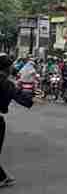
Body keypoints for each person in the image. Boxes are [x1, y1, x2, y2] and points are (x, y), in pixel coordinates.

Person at [0, 55, 33, 187]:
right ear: (7, 68)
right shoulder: (5, 83)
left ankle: (3, 177)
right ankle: (3, 178)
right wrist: (31, 101)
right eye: (11, 66)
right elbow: (20, 97)